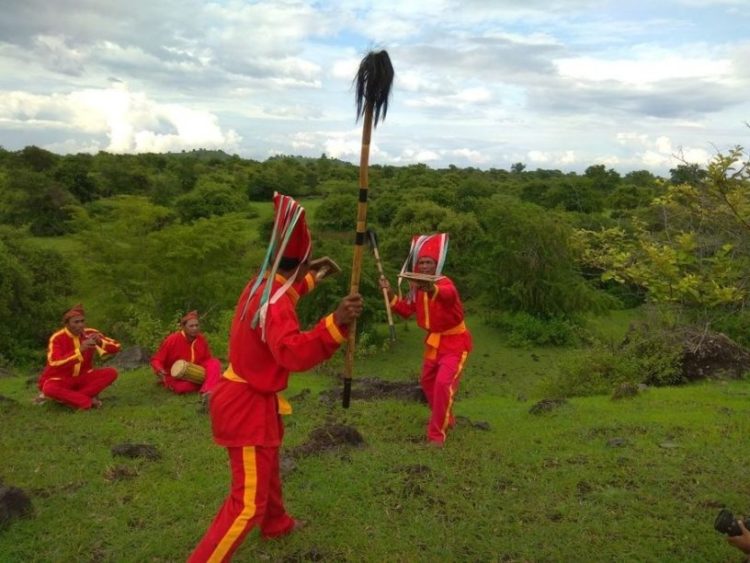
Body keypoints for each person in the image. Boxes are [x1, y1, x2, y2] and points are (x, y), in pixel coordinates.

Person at [188, 193, 363, 562]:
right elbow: (294, 352)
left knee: (267, 469)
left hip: (247, 396)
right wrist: (336, 323)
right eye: (306, 269)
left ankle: (277, 524)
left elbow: (289, 290)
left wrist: (313, 277)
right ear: (296, 266)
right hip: (245, 405)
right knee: (247, 502)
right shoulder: (274, 303)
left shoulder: (260, 284)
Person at [379, 233, 472, 447]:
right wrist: (390, 292)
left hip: (455, 343)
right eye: (421, 262)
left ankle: (436, 435)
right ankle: (446, 417)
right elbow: (405, 310)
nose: (425, 266)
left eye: (429, 262)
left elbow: (447, 295)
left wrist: (432, 289)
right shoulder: (415, 288)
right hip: (434, 343)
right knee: (428, 383)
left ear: (436, 264)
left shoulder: (445, 283)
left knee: (442, 384)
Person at [37, 304, 121, 410]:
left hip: (83, 376)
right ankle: (87, 401)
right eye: (76, 322)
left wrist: (100, 342)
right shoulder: (57, 338)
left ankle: (71, 400)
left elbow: (116, 347)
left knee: (111, 373)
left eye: (82, 321)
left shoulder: (90, 332)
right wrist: (79, 351)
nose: (80, 325)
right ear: (67, 324)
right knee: (48, 388)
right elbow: (54, 362)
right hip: (62, 379)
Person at [150, 311, 222, 396]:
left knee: (214, 362)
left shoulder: (201, 339)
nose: (195, 328)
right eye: (191, 326)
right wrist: (160, 369)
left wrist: (209, 369)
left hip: (197, 370)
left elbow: (207, 359)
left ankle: (207, 391)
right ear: (184, 327)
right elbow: (157, 359)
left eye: (196, 325)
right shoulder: (172, 340)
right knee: (183, 387)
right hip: (177, 376)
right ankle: (210, 382)